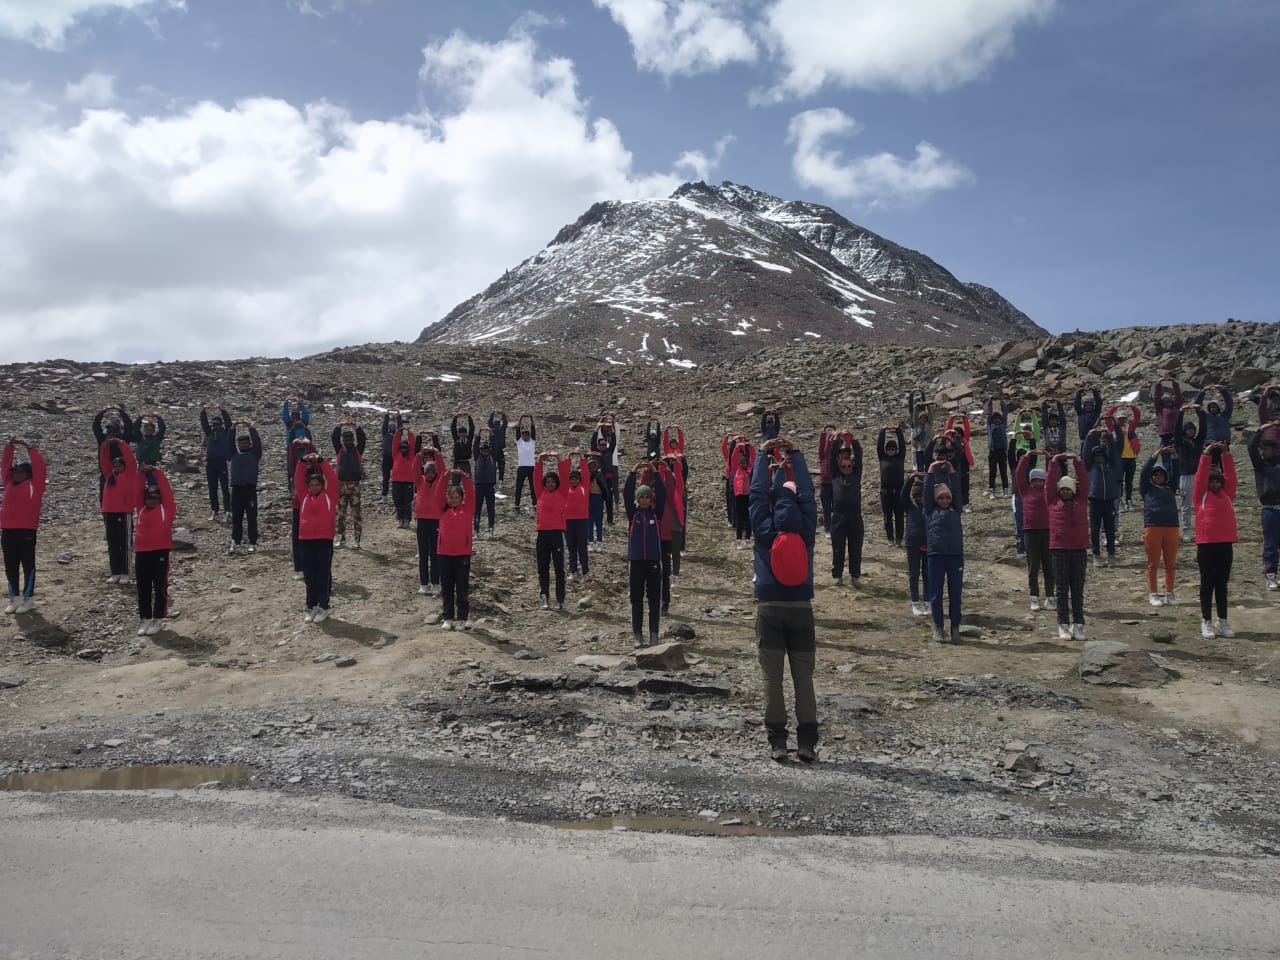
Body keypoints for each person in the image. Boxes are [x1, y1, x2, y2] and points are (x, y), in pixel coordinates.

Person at [749, 436, 818, 762]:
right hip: (802, 609)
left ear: (775, 505)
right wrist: (796, 456)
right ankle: (807, 743)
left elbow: (756, 496)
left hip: (770, 609)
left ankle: (778, 742)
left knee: (772, 679)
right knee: (804, 679)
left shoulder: (764, 528)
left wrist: (763, 456)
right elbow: (809, 494)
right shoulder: (806, 529)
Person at [1193, 442, 1238, 638]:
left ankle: (1223, 620)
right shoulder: (1200, 496)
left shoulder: (1228, 495)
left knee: (1222, 583)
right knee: (1207, 584)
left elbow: (1231, 477)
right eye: (1211, 481)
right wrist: (1206, 454)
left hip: (1225, 544)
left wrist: (1226, 454)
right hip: (1206, 544)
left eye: (1218, 481)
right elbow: (1200, 477)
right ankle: (1206, 621)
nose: (1215, 484)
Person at [1046, 453, 1090, 641]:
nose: (1065, 491)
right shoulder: (1052, 502)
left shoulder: (1081, 501)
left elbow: (1084, 482)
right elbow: (1049, 484)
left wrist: (1077, 461)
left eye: (1068, 489)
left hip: (1079, 549)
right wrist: (1054, 463)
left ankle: (1078, 625)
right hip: (1059, 550)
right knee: (1062, 589)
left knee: (1077, 589)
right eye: (1062, 489)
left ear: (1073, 490)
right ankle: (1063, 625)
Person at [624, 462, 667, 648]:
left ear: (651, 500)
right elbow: (626, 494)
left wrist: (655, 472)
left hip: (653, 561)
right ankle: (637, 635)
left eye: (646, 497)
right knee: (636, 599)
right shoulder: (633, 514)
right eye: (640, 497)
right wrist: (633, 472)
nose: (643, 500)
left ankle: (654, 634)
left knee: (654, 599)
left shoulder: (656, 514)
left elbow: (664, 494)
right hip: (636, 561)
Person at [1, 439, 46, 614]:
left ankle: (28, 599)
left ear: (28, 474)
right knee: (10, 565)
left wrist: (29, 447)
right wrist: (9, 447)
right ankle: (14, 598)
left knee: (28, 564)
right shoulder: (8, 484)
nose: (15, 475)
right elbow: (5, 466)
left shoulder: (35, 486)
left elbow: (40, 468)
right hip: (7, 530)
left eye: (20, 472)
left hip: (26, 530)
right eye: (14, 472)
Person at [923, 457, 965, 644]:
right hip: (936, 556)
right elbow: (926, 492)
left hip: (956, 557)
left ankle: (955, 628)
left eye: (947, 497)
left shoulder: (956, 509)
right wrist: (931, 470)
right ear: (935, 500)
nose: (945, 500)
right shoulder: (930, 510)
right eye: (941, 497)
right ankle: (939, 628)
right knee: (936, 594)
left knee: (955, 594)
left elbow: (956, 489)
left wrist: (951, 470)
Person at [294, 451, 338, 623]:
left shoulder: (330, 496)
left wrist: (321, 461)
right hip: (306, 540)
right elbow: (298, 480)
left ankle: (323, 606)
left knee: (322, 574)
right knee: (310, 575)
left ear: (322, 486)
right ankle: (311, 606)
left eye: (317, 485)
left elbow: (332, 478)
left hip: (324, 540)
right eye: (311, 485)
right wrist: (302, 462)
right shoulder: (304, 496)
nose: (314, 488)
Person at [133, 466, 175, 636]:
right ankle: (145, 618)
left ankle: (158, 618)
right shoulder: (141, 509)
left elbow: (167, 493)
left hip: (160, 552)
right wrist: (142, 474)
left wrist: (157, 473)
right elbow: (136, 491)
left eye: (156, 497)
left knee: (159, 586)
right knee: (143, 587)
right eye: (149, 498)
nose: (152, 500)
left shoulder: (166, 509)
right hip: (141, 552)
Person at [1015, 450, 1055, 612]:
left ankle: (1050, 597)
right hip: (1030, 532)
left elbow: (1053, 476)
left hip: (1047, 532)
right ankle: (1034, 597)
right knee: (1033, 566)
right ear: (1031, 481)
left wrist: (1049, 459)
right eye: (1035, 480)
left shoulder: (1049, 492)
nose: (1038, 483)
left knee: (1049, 566)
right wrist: (1026, 456)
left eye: (1041, 480)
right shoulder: (1025, 491)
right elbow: (1019, 473)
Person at [436, 467, 475, 631]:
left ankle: (462, 618)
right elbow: (438, 493)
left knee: (462, 587)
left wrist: (465, 478)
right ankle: (448, 617)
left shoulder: (468, 509)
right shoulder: (442, 509)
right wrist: (445, 476)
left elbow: (472, 494)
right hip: (444, 554)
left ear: (461, 498)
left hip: (462, 555)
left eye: (457, 497)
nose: (453, 500)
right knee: (446, 587)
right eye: (451, 497)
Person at [1139, 450, 1180, 607]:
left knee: (1170, 563)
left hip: (1172, 528)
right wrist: (1154, 455)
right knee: (1153, 563)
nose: (1158, 477)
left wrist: (1174, 456)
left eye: (1161, 475)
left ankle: (1169, 593)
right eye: (1155, 474)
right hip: (1153, 527)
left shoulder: (1170, 488)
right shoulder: (1146, 489)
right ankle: (1153, 594)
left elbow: (1176, 472)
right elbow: (1143, 473)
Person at [828, 431, 865, 586]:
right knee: (838, 548)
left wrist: (853, 437)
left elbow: (859, 455)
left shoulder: (856, 475)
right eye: (844, 466)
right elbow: (831, 457)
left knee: (855, 547)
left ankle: (855, 576)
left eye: (849, 466)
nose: (846, 467)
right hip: (838, 516)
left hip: (855, 516)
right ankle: (837, 575)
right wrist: (836, 439)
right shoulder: (836, 475)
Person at [99, 439, 137, 584]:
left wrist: (121, 443)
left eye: (119, 465)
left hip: (124, 512)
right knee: (112, 542)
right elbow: (103, 461)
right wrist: (105, 447)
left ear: (124, 466)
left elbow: (131, 460)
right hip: (109, 512)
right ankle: (115, 572)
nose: (116, 467)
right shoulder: (109, 476)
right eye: (114, 465)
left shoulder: (129, 474)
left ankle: (125, 572)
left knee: (125, 542)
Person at [1247, 430, 1280, 591]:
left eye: (1265, 449)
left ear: (1274, 450)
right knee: (1270, 544)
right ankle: (1270, 576)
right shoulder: (1260, 465)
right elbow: (1251, 447)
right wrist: (1260, 430)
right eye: (1261, 449)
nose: (1262, 452)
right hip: (1269, 509)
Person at [534, 452, 568, 610]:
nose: (550, 484)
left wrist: (559, 458)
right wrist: (540, 460)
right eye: (547, 482)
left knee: (559, 568)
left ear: (557, 483)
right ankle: (544, 597)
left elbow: (564, 475)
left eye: (553, 482)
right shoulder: (540, 492)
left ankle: (560, 598)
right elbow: (536, 477)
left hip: (557, 533)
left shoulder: (562, 493)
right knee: (543, 567)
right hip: (542, 534)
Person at [1083, 427, 1121, 568]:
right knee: (1095, 529)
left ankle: (1111, 554)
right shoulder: (1089, 466)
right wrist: (1089, 437)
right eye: (1097, 456)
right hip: (1095, 500)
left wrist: (1109, 435)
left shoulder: (1109, 465)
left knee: (1110, 529)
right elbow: (1085, 453)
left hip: (1109, 500)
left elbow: (1113, 451)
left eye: (1101, 455)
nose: (1099, 457)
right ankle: (1096, 554)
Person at [413, 445, 446, 596]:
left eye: (433, 472)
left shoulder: (440, 483)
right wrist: (420, 454)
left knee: (435, 554)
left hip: (436, 521)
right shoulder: (419, 482)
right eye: (428, 472)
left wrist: (437, 454)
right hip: (421, 520)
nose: (430, 474)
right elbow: (414, 469)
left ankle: (436, 584)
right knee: (423, 554)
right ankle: (423, 584)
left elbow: (443, 470)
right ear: (424, 472)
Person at [1008, 410, 1041, 559]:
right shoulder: (1014, 465)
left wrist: (1032, 438)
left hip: (1029, 496)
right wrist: (1014, 438)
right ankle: (1021, 548)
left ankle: (1033, 547)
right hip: (1017, 496)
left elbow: (1033, 451)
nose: (1022, 457)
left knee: (1032, 522)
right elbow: (1010, 452)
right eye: (1020, 455)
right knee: (1019, 522)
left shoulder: (1031, 464)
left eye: (1024, 455)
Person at [228, 420, 262, 555]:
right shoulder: (233, 455)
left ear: (249, 444)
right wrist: (233, 428)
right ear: (238, 445)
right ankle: (235, 541)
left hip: (250, 489)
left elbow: (258, 443)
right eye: (241, 443)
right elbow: (229, 443)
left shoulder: (255, 455)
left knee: (252, 516)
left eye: (246, 443)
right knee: (236, 517)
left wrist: (250, 427)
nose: (243, 445)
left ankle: (252, 542)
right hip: (236, 489)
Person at [331, 420, 366, 549]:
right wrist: (339, 425)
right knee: (341, 514)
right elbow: (334, 437)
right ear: (344, 440)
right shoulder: (339, 450)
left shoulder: (358, 450)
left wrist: (356, 426)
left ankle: (357, 540)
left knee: (356, 513)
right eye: (346, 439)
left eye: (351, 438)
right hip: (341, 486)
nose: (349, 441)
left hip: (355, 486)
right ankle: (341, 538)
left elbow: (362, 439)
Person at [1175, 403, 1206, 542]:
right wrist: (1181, 413)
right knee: (1186, 504)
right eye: (1188, 429)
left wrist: (1199, 412)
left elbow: (1204, 428)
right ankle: (1186, 530)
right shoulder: (1180, 442)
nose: (1191, 431)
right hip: (1186, 475)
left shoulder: (1198, 442)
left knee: (1202, 503)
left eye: (1192, 429)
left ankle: (1202, 528)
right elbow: (1176, 429)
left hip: (1199, 475)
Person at [288, 436, 317, 581]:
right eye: (306, 459)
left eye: (311, 459)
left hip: (314, 506)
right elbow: (292, 457)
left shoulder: (317, 470)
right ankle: (299, 567)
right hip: (299, 505)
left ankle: (312, 565)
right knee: (297, 536)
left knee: (313, 536)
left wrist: (308, 444)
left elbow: (316, 456)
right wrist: (295, 443)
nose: (308, 462)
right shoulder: (298, 469)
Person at [199, 403, 234, 522]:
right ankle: (214, 510)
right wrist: (204, 410)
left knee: (225, 488)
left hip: (223, 462)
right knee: (212, 488)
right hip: (211, 463)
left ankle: (228, 511)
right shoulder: (209, 433)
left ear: (221, 424)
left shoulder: (226, 432)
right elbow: (204, 423)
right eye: (213, 424)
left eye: (217, 424)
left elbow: (229, 422)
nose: (215, 426)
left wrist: (222, 410)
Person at [901, 472, 929, 617]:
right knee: (914, 574)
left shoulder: (931, 508)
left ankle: (928, 602)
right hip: (912, 545)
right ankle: (915, 602)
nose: (920, 499)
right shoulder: (909, 507)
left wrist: (929, 478)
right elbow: (903, 496)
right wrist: (910, 479)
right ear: (914, 497)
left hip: (928, 545)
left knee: (927, 574)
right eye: (918, 496)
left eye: (923, 496)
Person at [1106, 403, 1142, 511]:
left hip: (1131, 458)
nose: (1121, 420)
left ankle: (1128, 501)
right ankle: (1120, 501)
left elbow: (1138, 416)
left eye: (1123, 418)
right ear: (1116, 419)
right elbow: (1107, 417)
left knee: (1129, 481)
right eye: (1119, 418)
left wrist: (1132, 406)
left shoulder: (1130, 427)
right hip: (1119, 458)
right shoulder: (1113, 429)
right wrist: (1115, 407)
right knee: (1119, 481)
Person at [563, 452, 591, 581]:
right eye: (571, 478)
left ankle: (585, 572)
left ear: (579, 480)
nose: (573, 480)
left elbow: (585, 473)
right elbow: (563, 475)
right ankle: (573, 572)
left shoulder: (584, 487)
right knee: (571, 548)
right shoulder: (565, 488)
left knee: (582, 548)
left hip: (582, 521)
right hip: (568, 521)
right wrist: (568, 458)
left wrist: (582, 458)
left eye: (575, 478)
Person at [877, 425, 906, 545]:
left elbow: (902, 445)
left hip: (899, 491)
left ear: (896, 450)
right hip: (885, 491)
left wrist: (898, 430)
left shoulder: (900, 457)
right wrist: (882, 431)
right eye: (889, 449)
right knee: (887, 516)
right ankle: (890, 538)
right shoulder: (882, 457)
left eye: (893, 449)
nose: (891, 451)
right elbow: (879, 445)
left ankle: (899, 539)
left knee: (899, 516)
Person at [662, 453, 687, 588]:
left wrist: (677, 462)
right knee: (665, 554)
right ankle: (665, 576)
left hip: (676, 525)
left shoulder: (678, 489)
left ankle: (675, 576)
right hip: (663, 526)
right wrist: (662, 463)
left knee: (675, 553)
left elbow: (679, 476)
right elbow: (659, 475)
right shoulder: (661, 490)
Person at [389, 419, 417, 529]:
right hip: (396, 480)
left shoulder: (411, 455)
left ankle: (407, 520)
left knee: (407, 501)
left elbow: (413, 444)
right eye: (402, 447)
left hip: (408, 481)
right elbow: (395, 443)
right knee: (398, 501)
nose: (403, 449)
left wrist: (409, 432)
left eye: (405, 447)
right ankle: (400, 519)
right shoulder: (396, 454)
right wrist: (398, 432)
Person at [944, 411, 975, 511]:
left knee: (964, 483)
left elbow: (967, 430)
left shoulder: (964, 440)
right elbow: (947, 430)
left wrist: (964, 418)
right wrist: (951, 418)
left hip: (964, 463)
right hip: (953, 464)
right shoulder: (949, 441)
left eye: (959, 433)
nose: (957, 435)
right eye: (955, 433)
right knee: (953, 484)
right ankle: (954, 504)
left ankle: (965, 504)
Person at [282, 397, 311, 494]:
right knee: (292, 468)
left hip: (304, 448)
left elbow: (306, 414)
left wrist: (300, 403)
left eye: (297, 416)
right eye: (294, 416)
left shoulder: (302, 424)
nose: (296, 418)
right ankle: (292, 488)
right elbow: (285, 415)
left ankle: (305, 486)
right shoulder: (290, 424)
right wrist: (286, 403)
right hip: (292, 448)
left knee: (305, 467)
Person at [730, 438, 755, 548]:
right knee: (740, 518)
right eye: (742, 462)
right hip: (739, 496)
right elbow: (733, 458)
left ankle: (748, 539)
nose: (744, 463)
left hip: (748, 496)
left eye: (746, 462)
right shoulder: (737, 470)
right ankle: (739, 540)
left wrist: (751, 447)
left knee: (748, 518)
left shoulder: (750, 470)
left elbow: (753, 458)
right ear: (740, 463)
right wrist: (737, 447)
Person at [472, 438, 498, 537]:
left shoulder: (493, 458)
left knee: (491, 508)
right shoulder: (477, 457)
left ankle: (491, 527)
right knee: (477, 508)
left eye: (486, 451)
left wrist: (491, 435)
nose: (485, 452)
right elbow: (475, 448)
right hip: (479, 486)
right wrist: (478, 435)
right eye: (483, 450)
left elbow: (495, 447)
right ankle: (476, 529)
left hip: (490, 486)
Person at [985, 399, 1009, 497]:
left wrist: (1001, 401)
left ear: (1000, 419)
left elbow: (1005, 413)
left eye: (998, 418)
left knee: (1003, 471)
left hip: (1002, 451)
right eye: (994, 418)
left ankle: (1005, 490)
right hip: (993, 451)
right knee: (992, 472)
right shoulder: (990, 426)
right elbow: (988, 414)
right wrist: (990, 401)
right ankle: (992, 491)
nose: (996, 420)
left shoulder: (1003, 425)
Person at [586, 454, 612, 548]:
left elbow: (604, 487)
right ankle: (591, 541)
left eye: (594, 466)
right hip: (590, 499)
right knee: (590, 521)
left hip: (599, 499)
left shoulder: (600, 475)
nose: (592, 468)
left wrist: (601, 457)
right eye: (590, 467)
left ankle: (599, 541)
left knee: (599, 521)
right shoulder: (586, 476)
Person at [514, 416, 538, 513]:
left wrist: (531, 419)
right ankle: (517, 505)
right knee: (519, 487)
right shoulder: (519, 442)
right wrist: (520, 418)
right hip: (521, 467)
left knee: (533, 487)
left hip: (531, 467)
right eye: (524, 435)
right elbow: (517, 430)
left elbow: (533, 429)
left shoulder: (532, 442)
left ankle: (535, 505)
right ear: (522, 436)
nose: (526, 436)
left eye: (527, 435)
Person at [817, 424, 837, 535]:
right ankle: (827, 528)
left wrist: (835, 432)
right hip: (825, 484)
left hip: (835, 483)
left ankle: (834, 527)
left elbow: (834, 445)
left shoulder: (837, 456)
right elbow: (822, 446)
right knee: (826, 508)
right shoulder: (823, 457)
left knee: (836, 507)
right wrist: (823, 432)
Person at [1152, 379, 1183, 446]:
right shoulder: (1160, 409)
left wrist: (1175, 383)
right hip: (1165, 434)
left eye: (1169, 400)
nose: (1167, 401)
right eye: (1165, 400)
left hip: (1176, 433)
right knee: (1166, 453)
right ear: (1162, 402)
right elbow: (1156, 397)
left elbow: (1179, 396)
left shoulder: (1176, 407)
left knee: (1177, 453)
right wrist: (1158, 383)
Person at [908, 389, 933, 472]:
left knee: (928, 465)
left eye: (924, 418)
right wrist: (915, 406)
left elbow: (930, 414)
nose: (923, 419)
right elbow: (914, 414)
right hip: (919, 447)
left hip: (927, 447)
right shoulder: (917, 424)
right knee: (920, 466)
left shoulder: (929, 424)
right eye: (921, 418)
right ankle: (919, 477)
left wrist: (928, 405)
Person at [379, 410, 402, 498]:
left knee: (397, 475)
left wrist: (399, 415)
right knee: (386, 475)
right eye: (391, 425)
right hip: (386, 457)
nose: (393, 427)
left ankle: (397, 491)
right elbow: (384, 425)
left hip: (396, 457)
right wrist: (387, 414)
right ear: (389, 427)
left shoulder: (398, 434)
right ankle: (385, 492)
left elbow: (400, 426)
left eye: (394, 426)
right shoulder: (385, 433)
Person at [1073, 387, 1103, 452]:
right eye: (1086, 405)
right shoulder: (1081, 413)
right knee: (1084, 456)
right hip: (1084, 439)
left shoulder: (1096, 413)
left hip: (1095, 439)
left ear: (1093, 406)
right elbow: (1077, 404)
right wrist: (1079, 392)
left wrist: (1094, 391)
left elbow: (1099, 403)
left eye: (1090, 405)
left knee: (1096, 454)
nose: (1088, 407)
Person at [487, 411, 509, 484]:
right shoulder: (493, 430)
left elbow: (505, 423)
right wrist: (493, 414)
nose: (497, 426)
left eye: (498, 424)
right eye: (496, 425)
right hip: (493, 451)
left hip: (499, 450)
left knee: (500, 467)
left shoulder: (500, 430)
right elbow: (504, 423)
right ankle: (494, 481)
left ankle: (500, 480)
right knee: (493, 467)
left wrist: (494, 414)